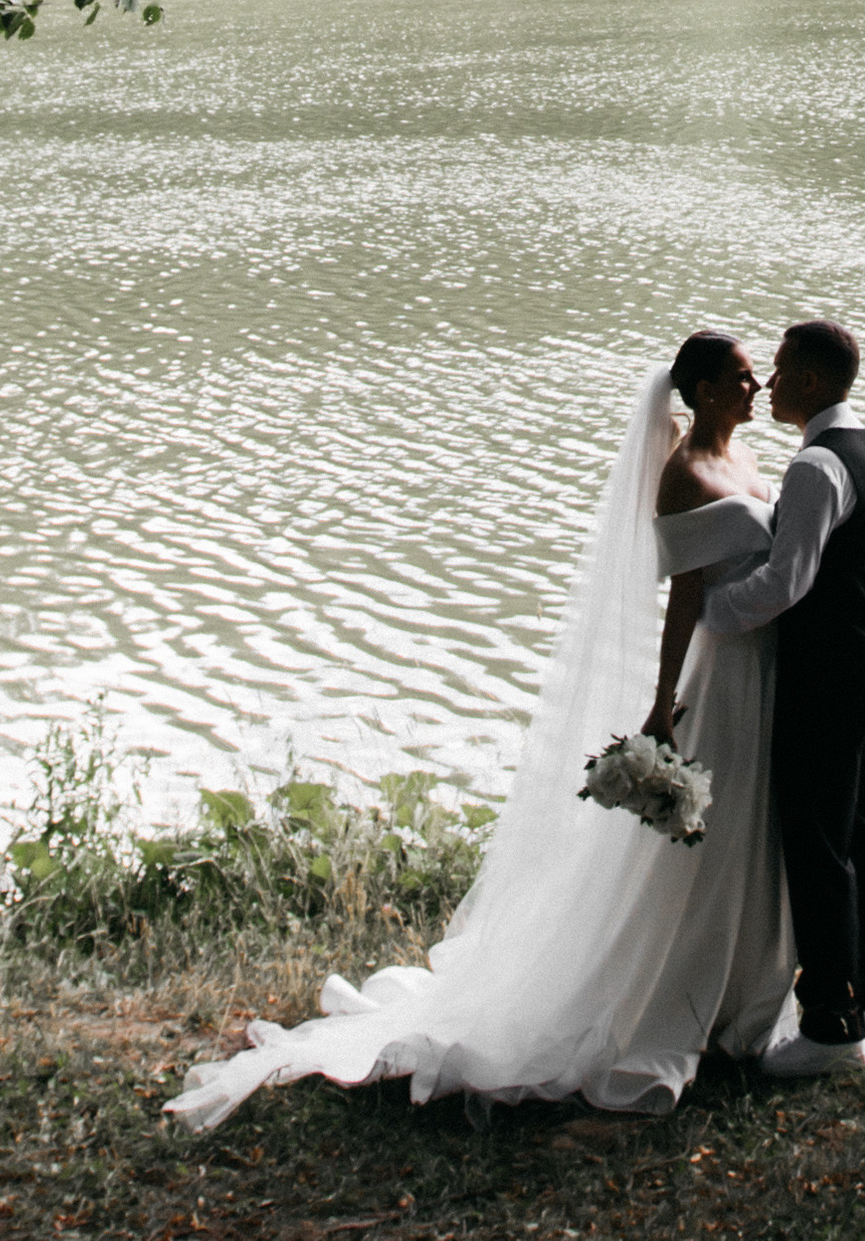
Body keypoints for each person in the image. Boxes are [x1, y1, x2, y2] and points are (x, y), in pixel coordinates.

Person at [165, 337, 796, 1126]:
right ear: (703, 389)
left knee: (748, 827)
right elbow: (686, 598)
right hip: (722, 671)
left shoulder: (744, 462)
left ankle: (740, 995)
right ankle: (672, 995)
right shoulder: (684, 475)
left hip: (766, 668)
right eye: (740, 375)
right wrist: (664, 699)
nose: (755, 384)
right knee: (706, 835)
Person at [701, 317, 865, 1077]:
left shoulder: (817, 467)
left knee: (819, 844)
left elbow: (788, 582)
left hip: (834, 673)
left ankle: (830, 1021)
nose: (770, 382)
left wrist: (709, 613)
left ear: (813, 383)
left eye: (782, 369)